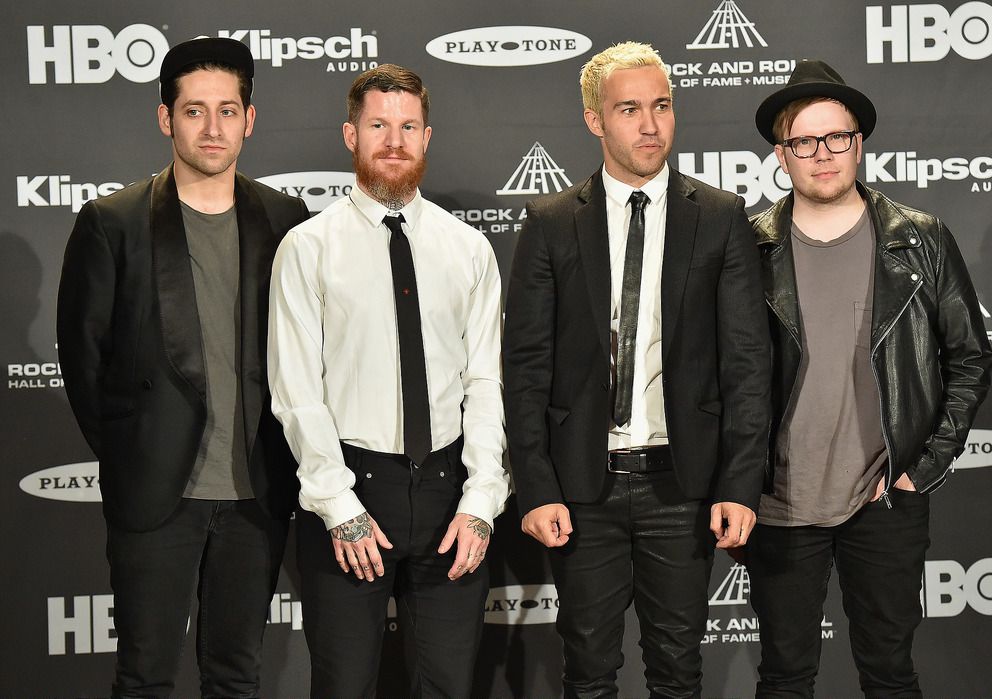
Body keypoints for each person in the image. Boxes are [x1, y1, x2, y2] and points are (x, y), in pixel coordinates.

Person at [502, 41, 771, 697]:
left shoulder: (721, 216)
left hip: (681, 486)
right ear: (596, 119)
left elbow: (747, 362)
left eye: (661, 106)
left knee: (678, 670)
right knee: (588, 670)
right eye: (629, 109)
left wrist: (739, 481)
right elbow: (526, 366)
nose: (650, 125)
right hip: (581, 488)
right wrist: (536, 485)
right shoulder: (551, 222)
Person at [56, 37, 309, 698]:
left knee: (236, 675)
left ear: (249, 119)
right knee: (145, 677)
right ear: (166, 118)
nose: (213, 126)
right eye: (195, 111)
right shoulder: (112, 222)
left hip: (255, 493)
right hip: (157, 497)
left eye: (228, 110)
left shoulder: (286, 220)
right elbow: (83, 362)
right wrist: (136, 451)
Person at [744, 59, 992, 698]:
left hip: (884, 498)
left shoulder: (921, 240)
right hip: (778, 503)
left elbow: (968, 358)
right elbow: (719, 376)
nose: (822, 154)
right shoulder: (748, 248)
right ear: (781, 153)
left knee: (889, 675)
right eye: (804, 141)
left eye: (837, 138)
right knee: (784, 678)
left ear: (859, 145)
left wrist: (925, 464)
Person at [268, 64, 508, 698]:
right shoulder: (307, 248)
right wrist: (340, 508)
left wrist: (482, 502)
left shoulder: (469, 249)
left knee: (449, 687)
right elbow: (296, 394)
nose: (393, 141)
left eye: (407, 126)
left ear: (427, 137)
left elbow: (485, 384)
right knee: (344, 687)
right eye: (378, 125)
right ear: (351, 134)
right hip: (349, 490)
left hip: (448, 496)